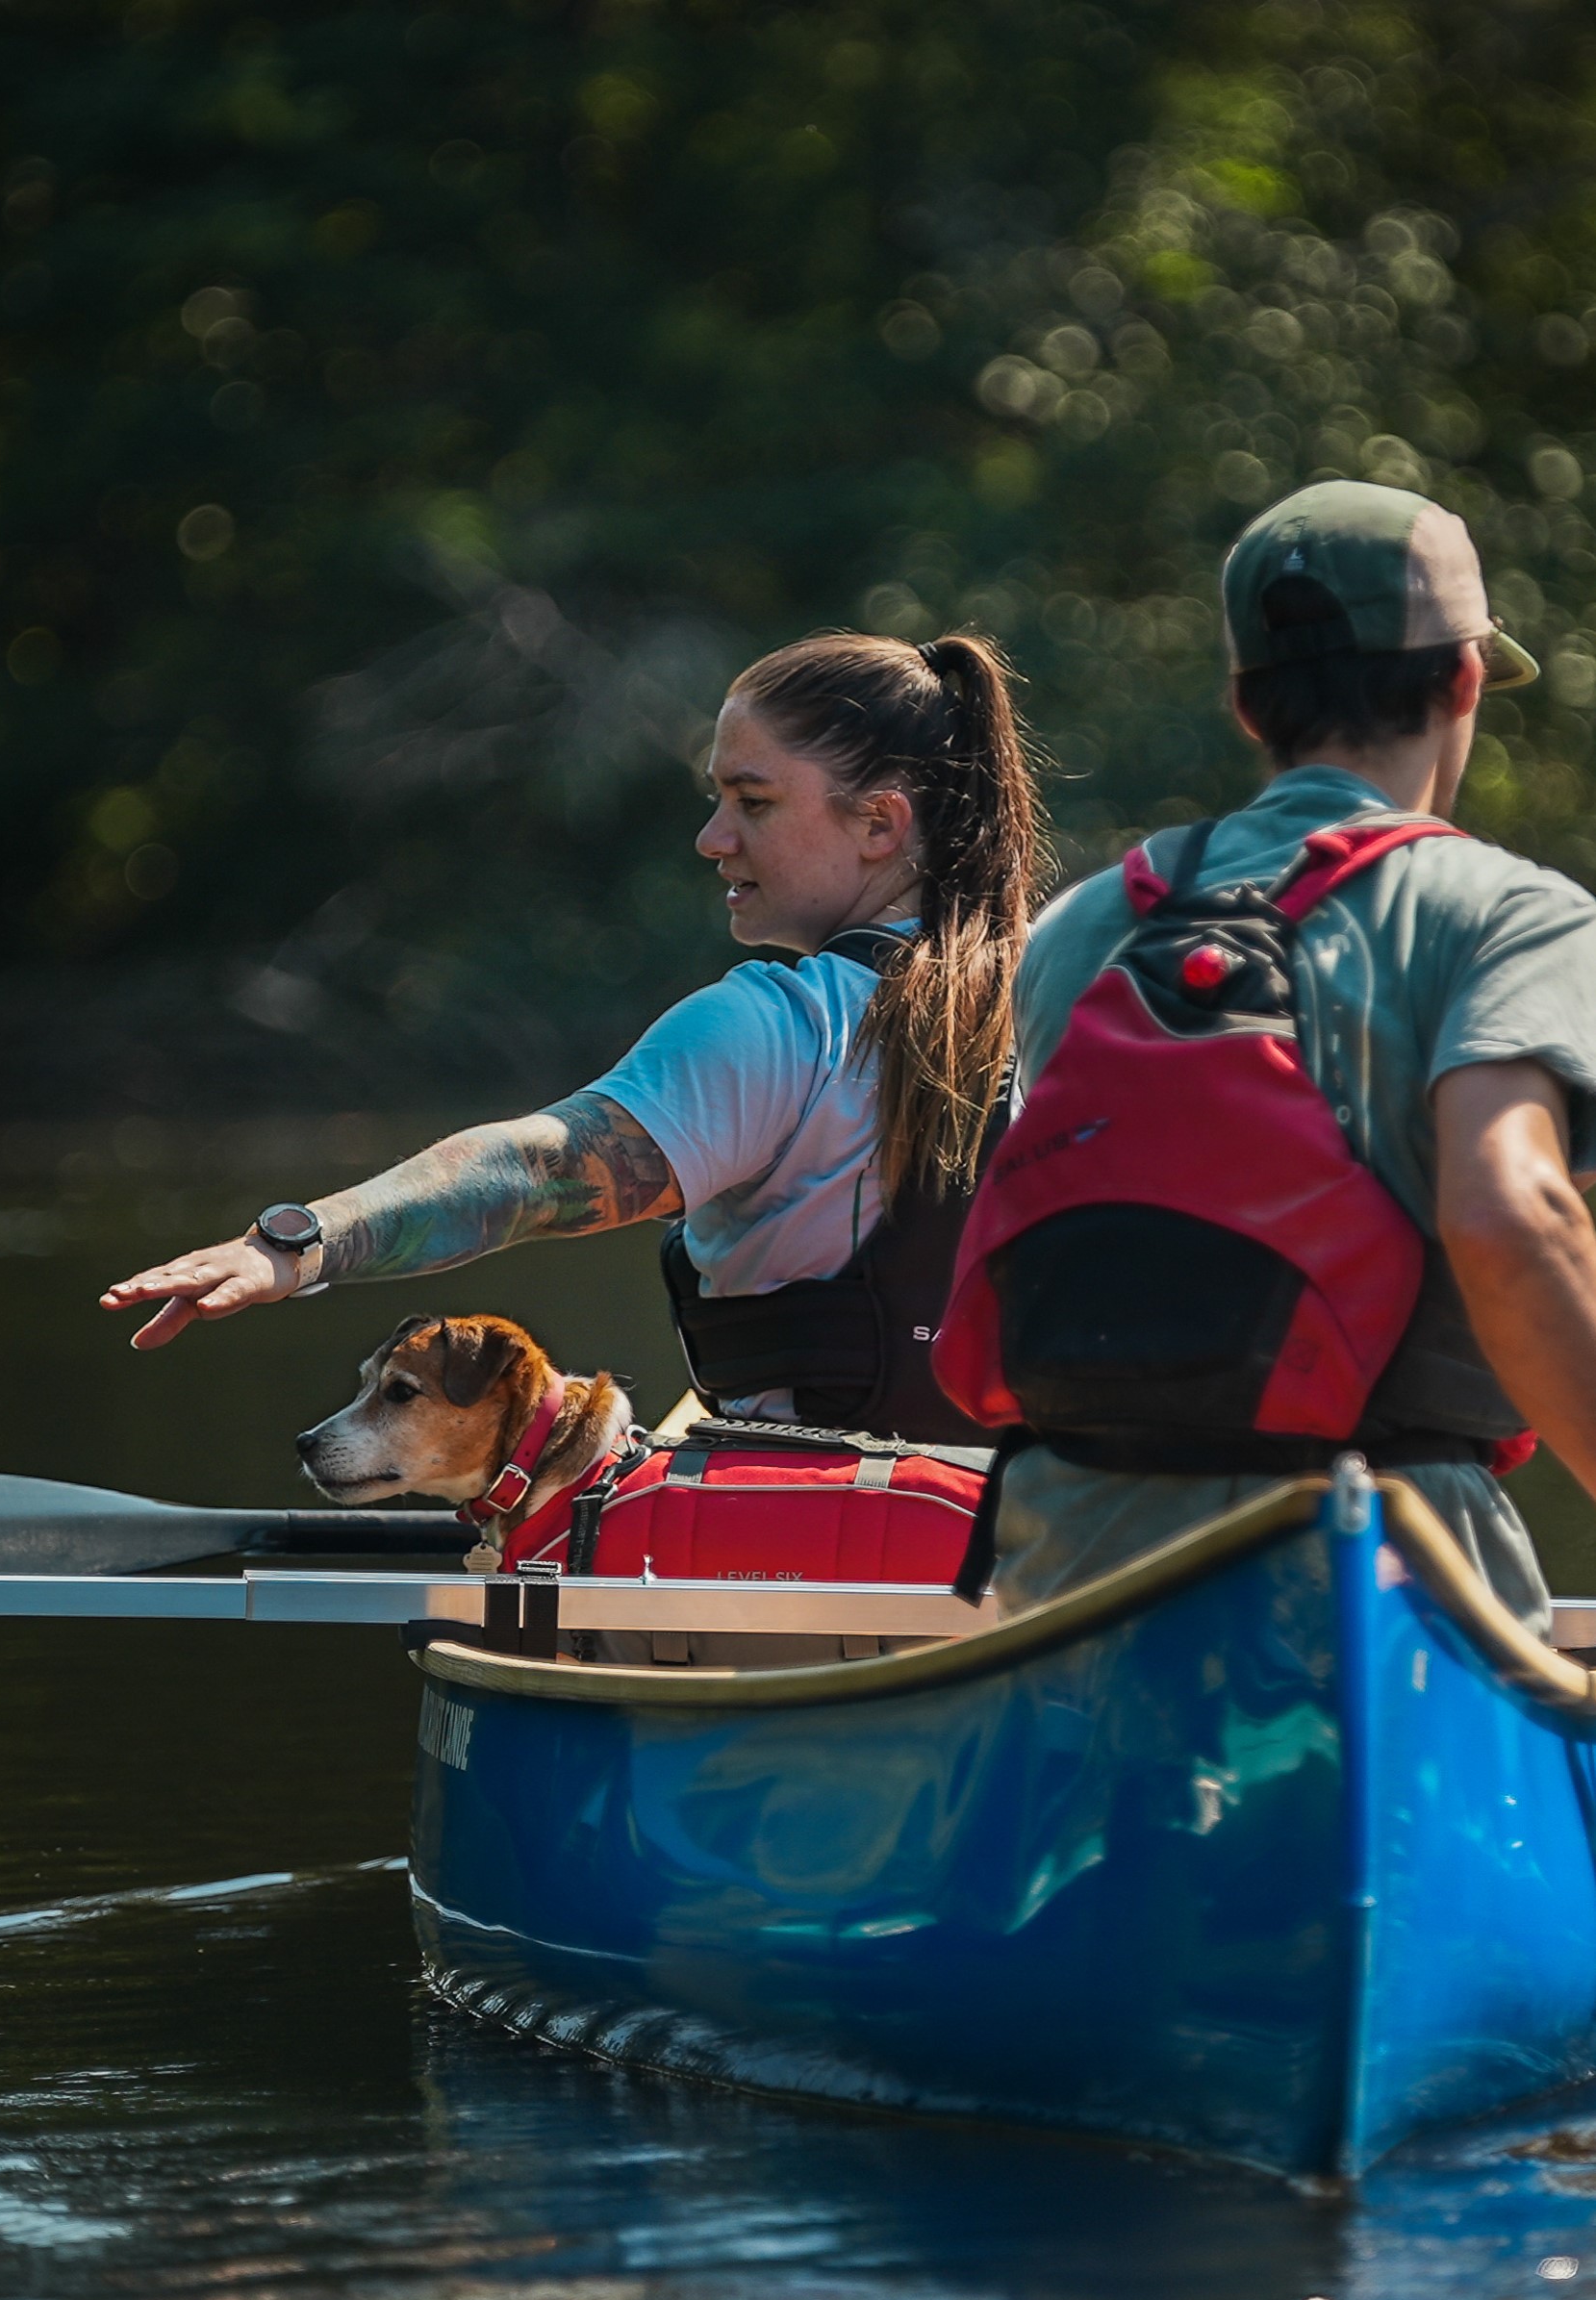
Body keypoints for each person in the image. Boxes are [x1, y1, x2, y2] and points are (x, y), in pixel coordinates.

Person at [100, 631, 1049, 1471]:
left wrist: (304, 1241)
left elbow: (533, 1170)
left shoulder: (778, 1025)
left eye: (750, 802)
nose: (711, 839)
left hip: (818, 1544)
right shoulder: (1083, 1001)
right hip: (1041, 1529)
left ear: (880, 823)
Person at [960, 480, 1596, 1626]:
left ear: (1249, 705)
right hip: (1386, 1576)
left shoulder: (1082, 927)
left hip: (1071, 1584)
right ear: (1462, 680)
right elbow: (1511, 1219)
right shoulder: (1507, 915)